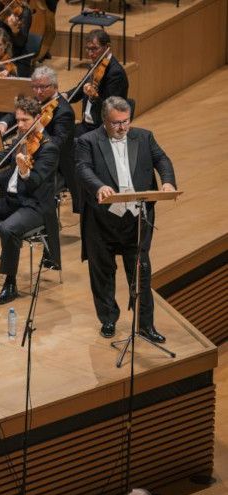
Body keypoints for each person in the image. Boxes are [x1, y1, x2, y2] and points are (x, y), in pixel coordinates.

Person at [75, 96, 176, 341]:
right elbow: (82, 168)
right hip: (101, 221)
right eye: (116, 123)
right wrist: (99, 186)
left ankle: (145, 325)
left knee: (141, 273)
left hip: (136, 220)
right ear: (105, 120)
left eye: (125, 121)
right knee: (102, 273)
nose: (122, 128)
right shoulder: (88, 141)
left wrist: (168, 182)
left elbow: (162, 160)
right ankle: (108, 319)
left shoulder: (144, 137)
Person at [0, 96, 59, 305]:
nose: (20, 125)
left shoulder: (49, 148)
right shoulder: (23, 138)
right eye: (18, 119)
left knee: (8, 229)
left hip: (35, 205)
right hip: (13, 200)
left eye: (24, 120)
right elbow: (6, 151)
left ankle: (10, 283)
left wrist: (24, 172)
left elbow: (35, 182)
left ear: (38, 117)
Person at [0, 65, 73, 256]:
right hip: (29, 157)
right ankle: (8, 208)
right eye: (35, 87)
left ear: (55, 86)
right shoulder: (36, 102)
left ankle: (26, 219)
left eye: (43, 87)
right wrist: (5, 122)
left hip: (54, 166)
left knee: (24, 179)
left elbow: (58, 143)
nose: (38, 92)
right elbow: (18, 111)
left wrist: (38, 132)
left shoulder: (64, 111)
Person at [70, 30, 129, 137]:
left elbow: (111, 110)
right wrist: (65, 96)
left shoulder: (115, 73)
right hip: (87, 125)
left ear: (107, 47)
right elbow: (81, 87)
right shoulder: (97, 64)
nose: (90, 53)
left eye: (94, 49)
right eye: (88, 49)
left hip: (102, 129)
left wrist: (94, 97)